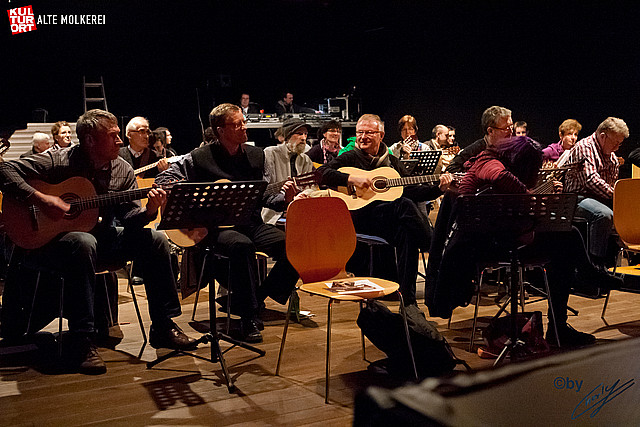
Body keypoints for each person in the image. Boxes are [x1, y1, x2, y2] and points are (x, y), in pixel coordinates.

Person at [0, 109, 196, 374]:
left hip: (102, 241)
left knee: (157, 240)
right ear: (90, 140)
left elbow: (130, 218)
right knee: (82, 241)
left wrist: (149, 212)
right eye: (113, 136)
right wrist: (42, 199)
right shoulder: (58, 161)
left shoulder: (122, 169)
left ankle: (163, 325)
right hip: (53, 246)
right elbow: (5, 168)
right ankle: (81, 339)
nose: (120, 142)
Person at [429, 136, 621, 346]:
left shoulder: (491, 160)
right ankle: (568, 311)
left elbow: (517, 204)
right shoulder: (492, 165)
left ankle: (577, 293)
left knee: (566, 237)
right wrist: (531, 196)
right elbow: (505, 183)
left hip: (492, 238)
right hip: (486, 245)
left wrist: (535, 196)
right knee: (566, 240)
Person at [155, 103, 300, 343]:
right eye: (237, 124)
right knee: (241, 246)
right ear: (221, 130)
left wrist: (285, 199)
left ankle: (254, 298)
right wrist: (181, 189)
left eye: (244, 122)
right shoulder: (199, 157)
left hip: (250, 223)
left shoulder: (256, 155)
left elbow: (264, 196)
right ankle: (248, 317)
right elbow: (165, 176)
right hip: (215, 228)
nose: (244, 127)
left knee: (295, 245)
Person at [318, 114, 453, 306]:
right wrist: (350, 179)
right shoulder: (349, 157)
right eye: (360, 132)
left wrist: (438, 189)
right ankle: (435, 248)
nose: (363, 137)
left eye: (369, 133)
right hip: (358, 218)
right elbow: (321, 173)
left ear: (381, 135)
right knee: (405, 204)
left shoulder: (390, 161)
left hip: (385, 220)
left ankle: (408, 301)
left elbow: (411, 190)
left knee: (408, 234)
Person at [564, 117, 629, 270]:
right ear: (603, 136)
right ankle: (594, 267)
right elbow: (591, 179)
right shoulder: (585, 147)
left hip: (599, 197)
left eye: (620, 144)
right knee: (603, 214)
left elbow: (612, 183)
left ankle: (614, 263)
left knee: (626, 212)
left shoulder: (611, 156)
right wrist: (616, 197)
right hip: (576, 197)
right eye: (615, 143)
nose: (617, 148)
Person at [262, 118, 315, 224]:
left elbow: (311, 187)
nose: (304, 138)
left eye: (305, 134)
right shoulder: (270, 153)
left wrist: (303, 194)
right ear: (288, 135)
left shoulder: (305, 159)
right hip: (274, 214)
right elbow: (265, 189)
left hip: (300, 209)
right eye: (299, 134)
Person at [446, 106, 513, 173]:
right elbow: (452, 167)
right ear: (490, 131)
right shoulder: (475, 149)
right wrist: (475, 177)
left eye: (511, 126)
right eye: (506, 128)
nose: (511, 131)